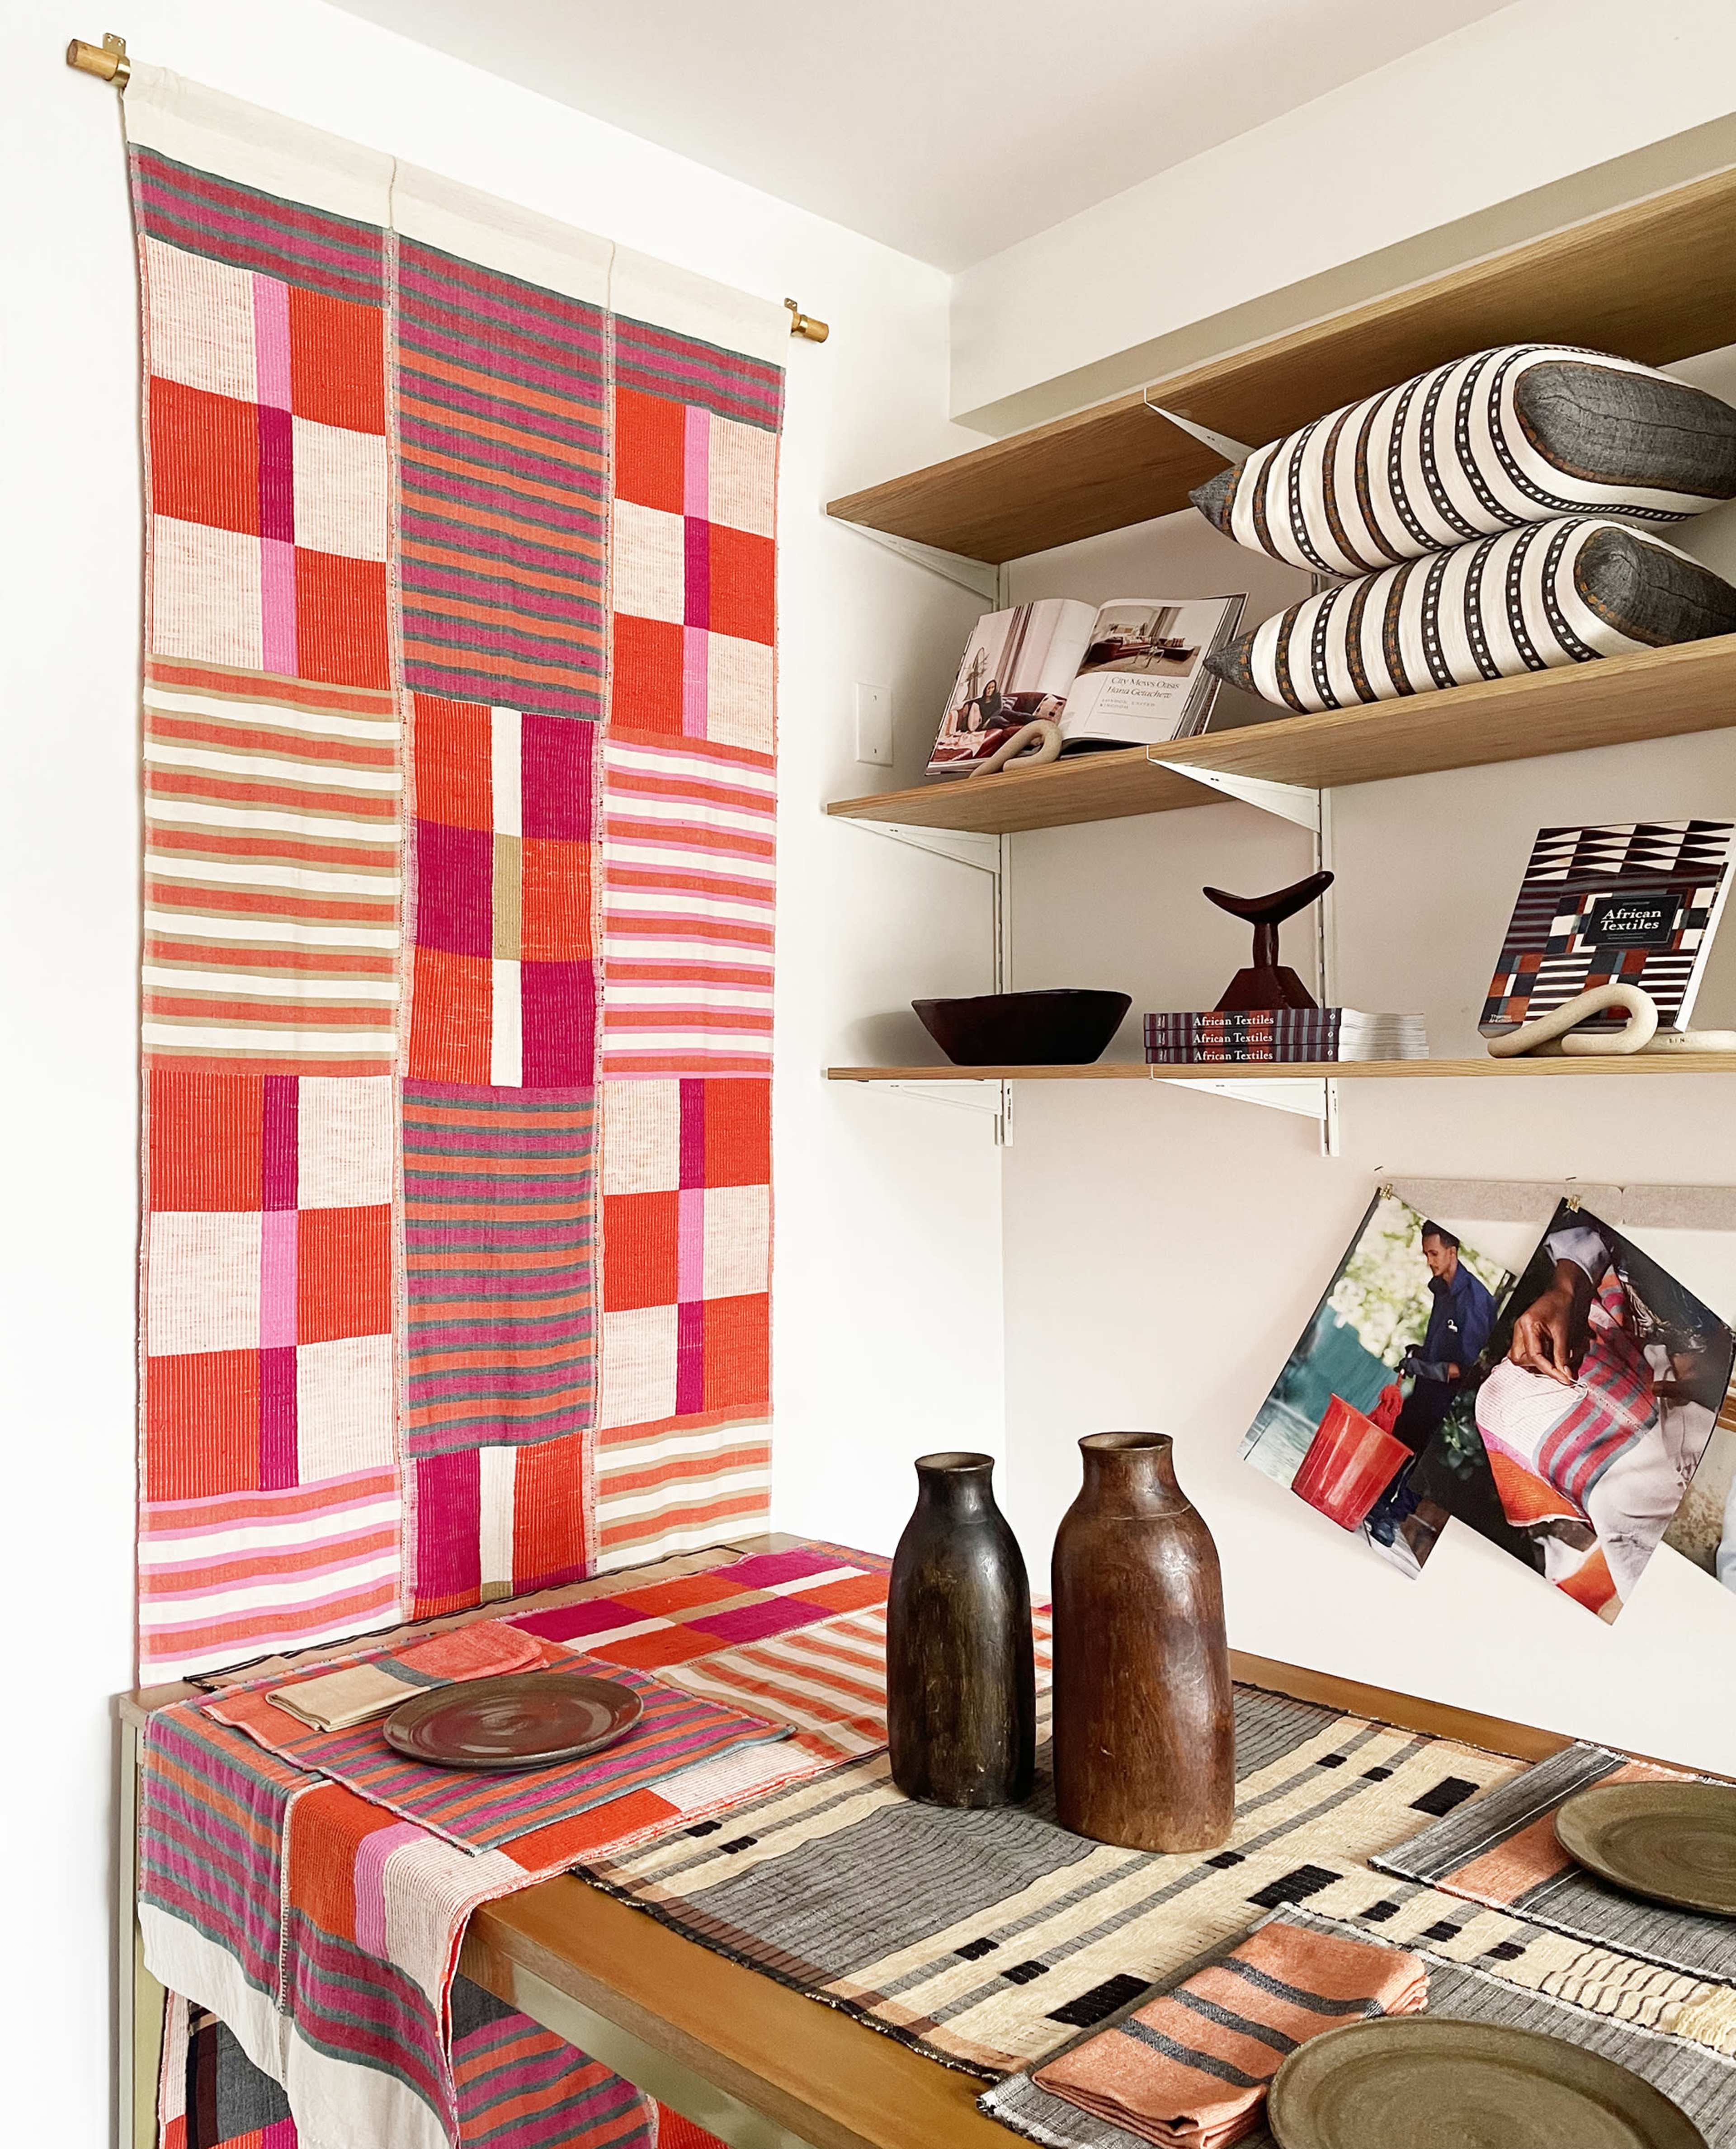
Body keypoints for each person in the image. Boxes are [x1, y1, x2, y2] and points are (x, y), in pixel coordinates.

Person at [1364, 1222, 1497, 1552]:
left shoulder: (1476, 1301)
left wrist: (1422, 1366)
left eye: (1434, 1253)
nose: (1430, 1261)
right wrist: (1419, 1353)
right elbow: (1442, 1349)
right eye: (1426, 1254)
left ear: (1453, 1252)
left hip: (1451, 1403)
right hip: (1426, 1389)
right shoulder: (1441, 1290)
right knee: (1400, 1444)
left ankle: (1391, 1519)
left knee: (1425, 1461)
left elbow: (1464, 1370)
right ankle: (1376, 1504)